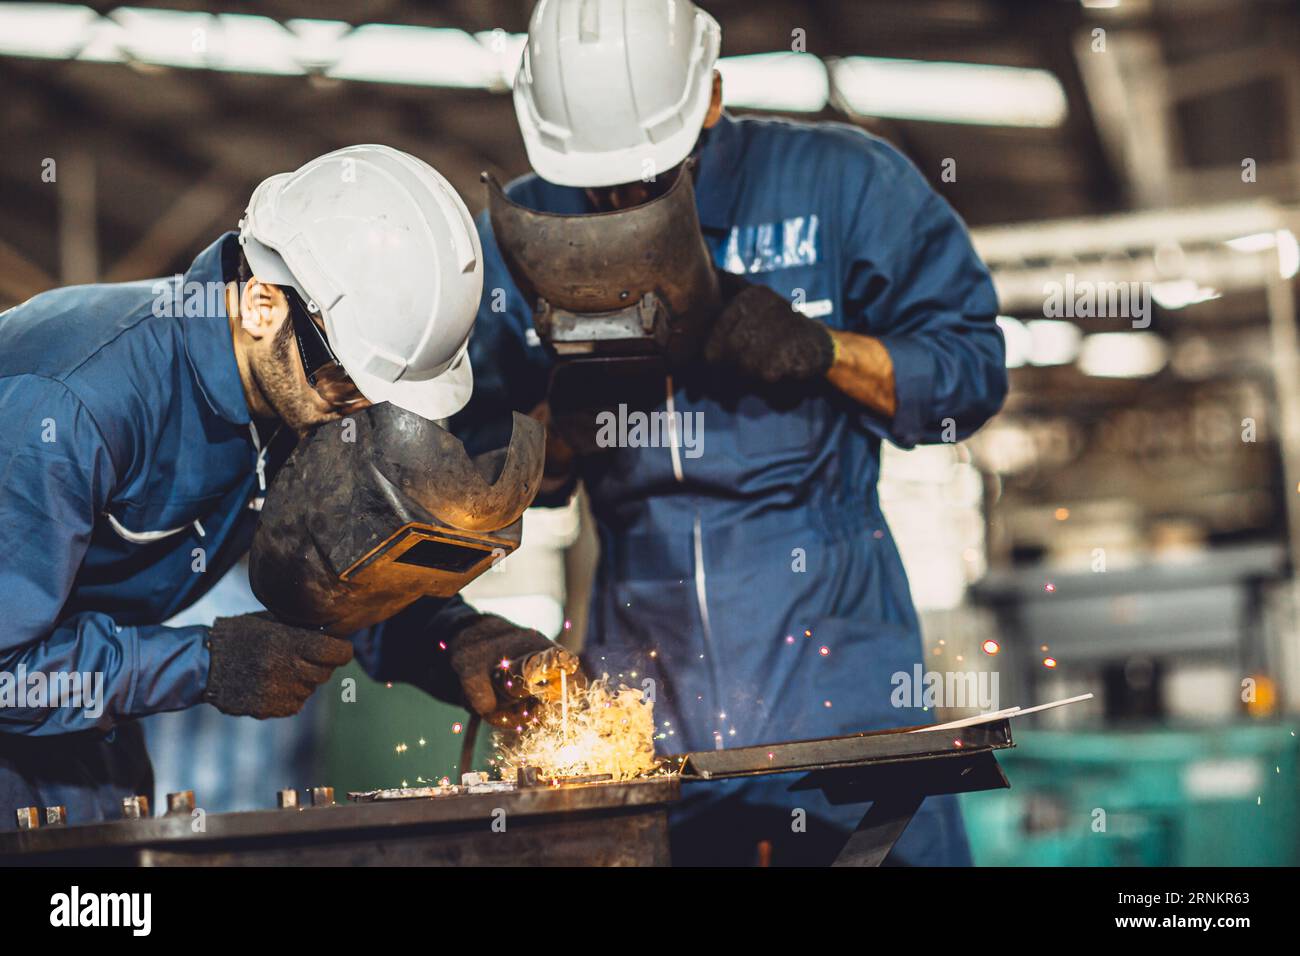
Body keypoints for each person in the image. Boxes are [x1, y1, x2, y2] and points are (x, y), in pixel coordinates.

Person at [452, 0, 1009, 865]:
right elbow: (467, 468)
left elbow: (968, 376)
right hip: (641, 698)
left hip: (842, 689)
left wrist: (823, 351)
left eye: (645, 169)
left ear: (710, 94)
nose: (619, 197)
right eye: (594, 176)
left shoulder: (841, 184)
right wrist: (559, 430)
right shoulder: (525, 233)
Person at [0, 144, 567, 828]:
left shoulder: (299, 392)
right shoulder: (69, 405)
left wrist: (457, 643)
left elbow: (336, 579)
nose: (359, 411)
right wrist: (207, 663)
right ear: (264, 302)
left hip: (83, 750)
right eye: (349, 379)